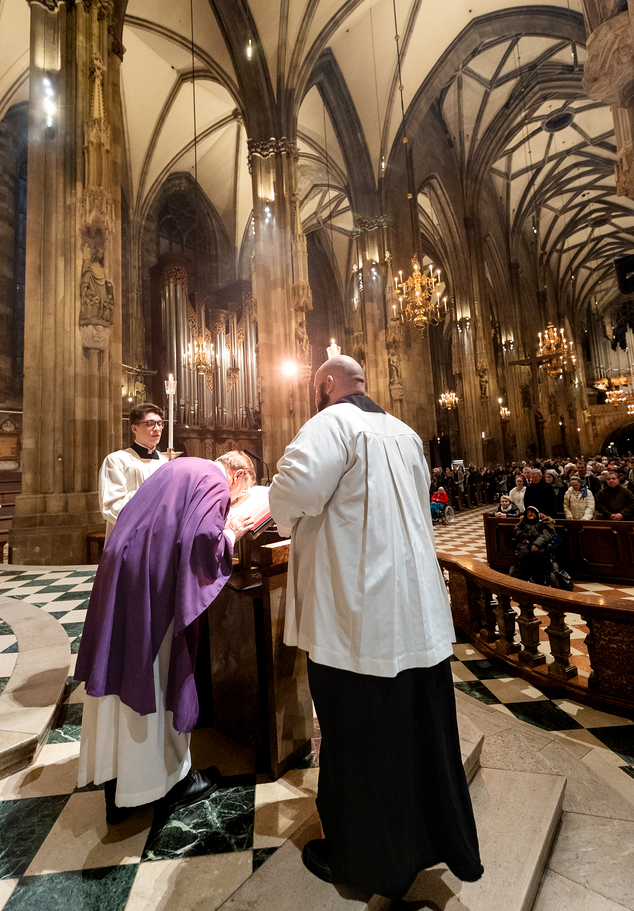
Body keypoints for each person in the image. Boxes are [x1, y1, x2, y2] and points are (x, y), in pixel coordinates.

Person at [268, 355, 483, 899]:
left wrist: (277, 511)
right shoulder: (406, 433)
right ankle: (426, 842)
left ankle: (364, 860)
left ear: (325, 385)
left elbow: (291, 496)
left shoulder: (330, 423)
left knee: (358, 739)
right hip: (414, 610)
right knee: (416, 734)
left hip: (356, 617)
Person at [75, 451, 256, 823]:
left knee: (120, 665)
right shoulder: (213, 478)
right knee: (155, 672)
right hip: (153, 580)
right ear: (237, 475)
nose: (233, 501)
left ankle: (116, 783)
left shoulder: (177, 467)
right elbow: (203, 539)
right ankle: (169, 784)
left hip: (122, 566)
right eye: (239, 495)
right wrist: (233, 531)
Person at [99, 402, 173, 542]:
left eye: (159, 423)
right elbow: (112, 505)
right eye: (150, 424)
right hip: (130, 536)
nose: (157, 428)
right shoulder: (117, 460)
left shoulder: (166, 462)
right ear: (134, 428)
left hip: (161, 535)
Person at [510, 506, 556, 585]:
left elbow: (547, 534)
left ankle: (539, 580)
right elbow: (517, 531)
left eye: (531, 512)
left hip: (540, 544)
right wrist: (523, 537)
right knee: (523, 553)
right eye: (528, 512)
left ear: (537, 513)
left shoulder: (544, 522)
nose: (529, 514)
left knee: (540, 553)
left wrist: (537, 544)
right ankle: (521, 580)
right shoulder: (523, 522)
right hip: (526, 544)